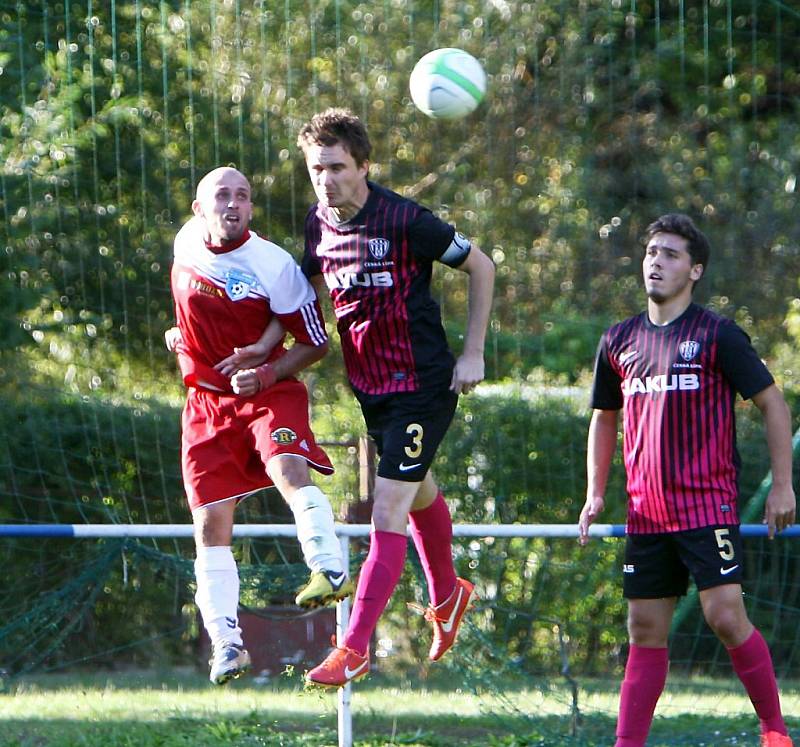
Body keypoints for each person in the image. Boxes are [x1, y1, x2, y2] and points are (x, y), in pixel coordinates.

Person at [293, 108, 496, 687]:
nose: (326, 180)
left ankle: (353, 647)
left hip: (423, 386)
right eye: (316, 169)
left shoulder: (406, 220)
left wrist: (473, 352)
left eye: (336, 167)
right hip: (372, 390)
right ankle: (449, 594)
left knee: (387, 511)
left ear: (364, 165)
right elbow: (309, 292)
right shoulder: (319, 225)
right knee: (417, 489)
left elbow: (481, 266)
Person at [578, 213, 795, 747]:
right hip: (645, 514)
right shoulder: (619, 339)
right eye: (652, 252)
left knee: (724, 616)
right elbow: (604, 416)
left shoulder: (718, 334)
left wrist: (785, 487)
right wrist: (596, 491)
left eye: (671, 254)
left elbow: (772, 403)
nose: (657, 261)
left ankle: (774, 729)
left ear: (694, 270)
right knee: (644, 632)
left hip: (707, 508)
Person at [166, 166, 353, 685]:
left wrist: (267, 367)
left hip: (268, 394)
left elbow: (315, 339)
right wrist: (175, 334)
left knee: (290, 471)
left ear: (251, 208)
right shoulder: (184, 244)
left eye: (243, 197)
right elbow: (188, 308)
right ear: (198, 209)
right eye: (222, 196)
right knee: (209, 526)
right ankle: (227, 645)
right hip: (205, 405)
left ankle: (329, 566)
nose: (233, 204)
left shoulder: (273, 264)